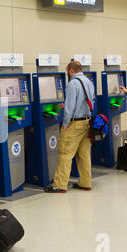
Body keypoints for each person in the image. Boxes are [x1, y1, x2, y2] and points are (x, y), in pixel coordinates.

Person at [44, 61, 95, 193]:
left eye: (68, 71)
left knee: (65, 153)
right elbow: (86, 101)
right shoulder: (88, 81)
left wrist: (65, 124)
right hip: (87, 122)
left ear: (71, 71)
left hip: (75, 124)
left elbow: (70, 108)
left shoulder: (73, 83)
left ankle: (59, 185)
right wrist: (66, 105)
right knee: (84, 154)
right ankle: (85, 182)